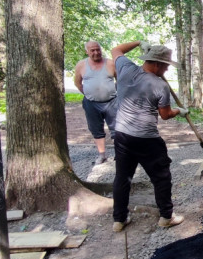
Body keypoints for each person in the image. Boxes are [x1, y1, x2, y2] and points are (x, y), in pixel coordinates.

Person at [110, 41, 188, 232]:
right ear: (157, 64)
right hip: (146, 139)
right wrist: (180, 111)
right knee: (161, 177)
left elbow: (116, 50)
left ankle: (119, 220)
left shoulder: (126, 69)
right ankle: (166, 217)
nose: (167, 69)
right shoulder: (160, 85)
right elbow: (165, 115)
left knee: (122, 177)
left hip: (121, 135)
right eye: (166, 66)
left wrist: (137, 42)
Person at [73, 41, 118, 164]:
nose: (96, 52)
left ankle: (119, 154)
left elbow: (119, 80)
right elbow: (77, 82)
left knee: (117, 129)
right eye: (92, 50)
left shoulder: (111, 63)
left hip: (112, 102)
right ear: (87, 51)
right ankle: (102, 155)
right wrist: (89, 93)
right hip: (91, 103)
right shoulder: (81, 65)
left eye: (98, 49)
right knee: (96, 129)